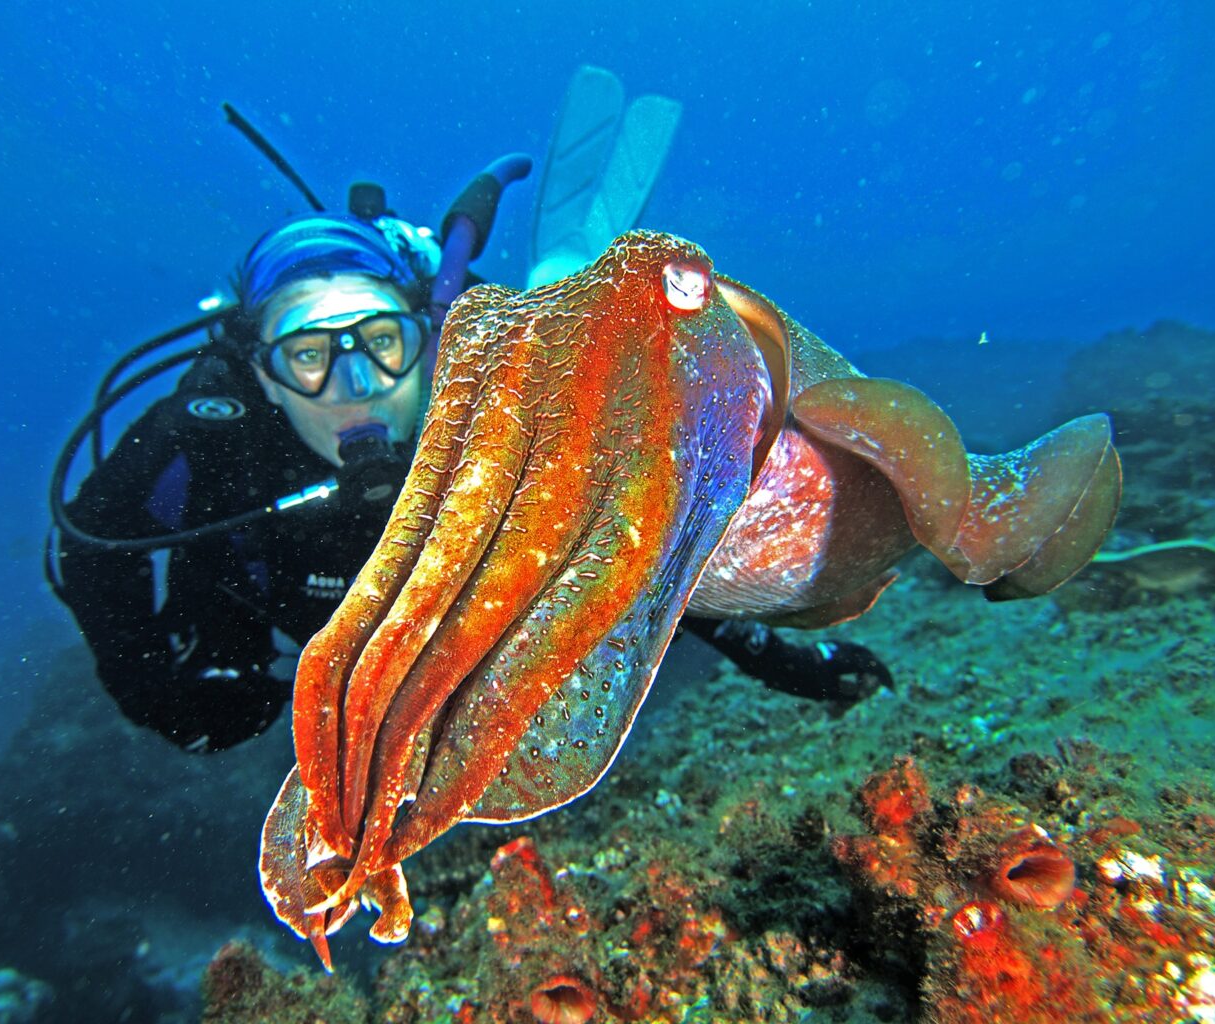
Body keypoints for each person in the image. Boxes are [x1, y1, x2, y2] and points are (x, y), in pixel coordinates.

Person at [49, 72, 891, 753]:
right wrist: (150, 687)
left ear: (426, 338)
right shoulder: (205, 438)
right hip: (272, 615)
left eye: (380, 340)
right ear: (263, 379)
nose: (355, 383)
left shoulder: (494, 399)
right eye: (307, 356)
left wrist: (778, 655)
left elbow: (634, 535)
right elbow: (93, 546)